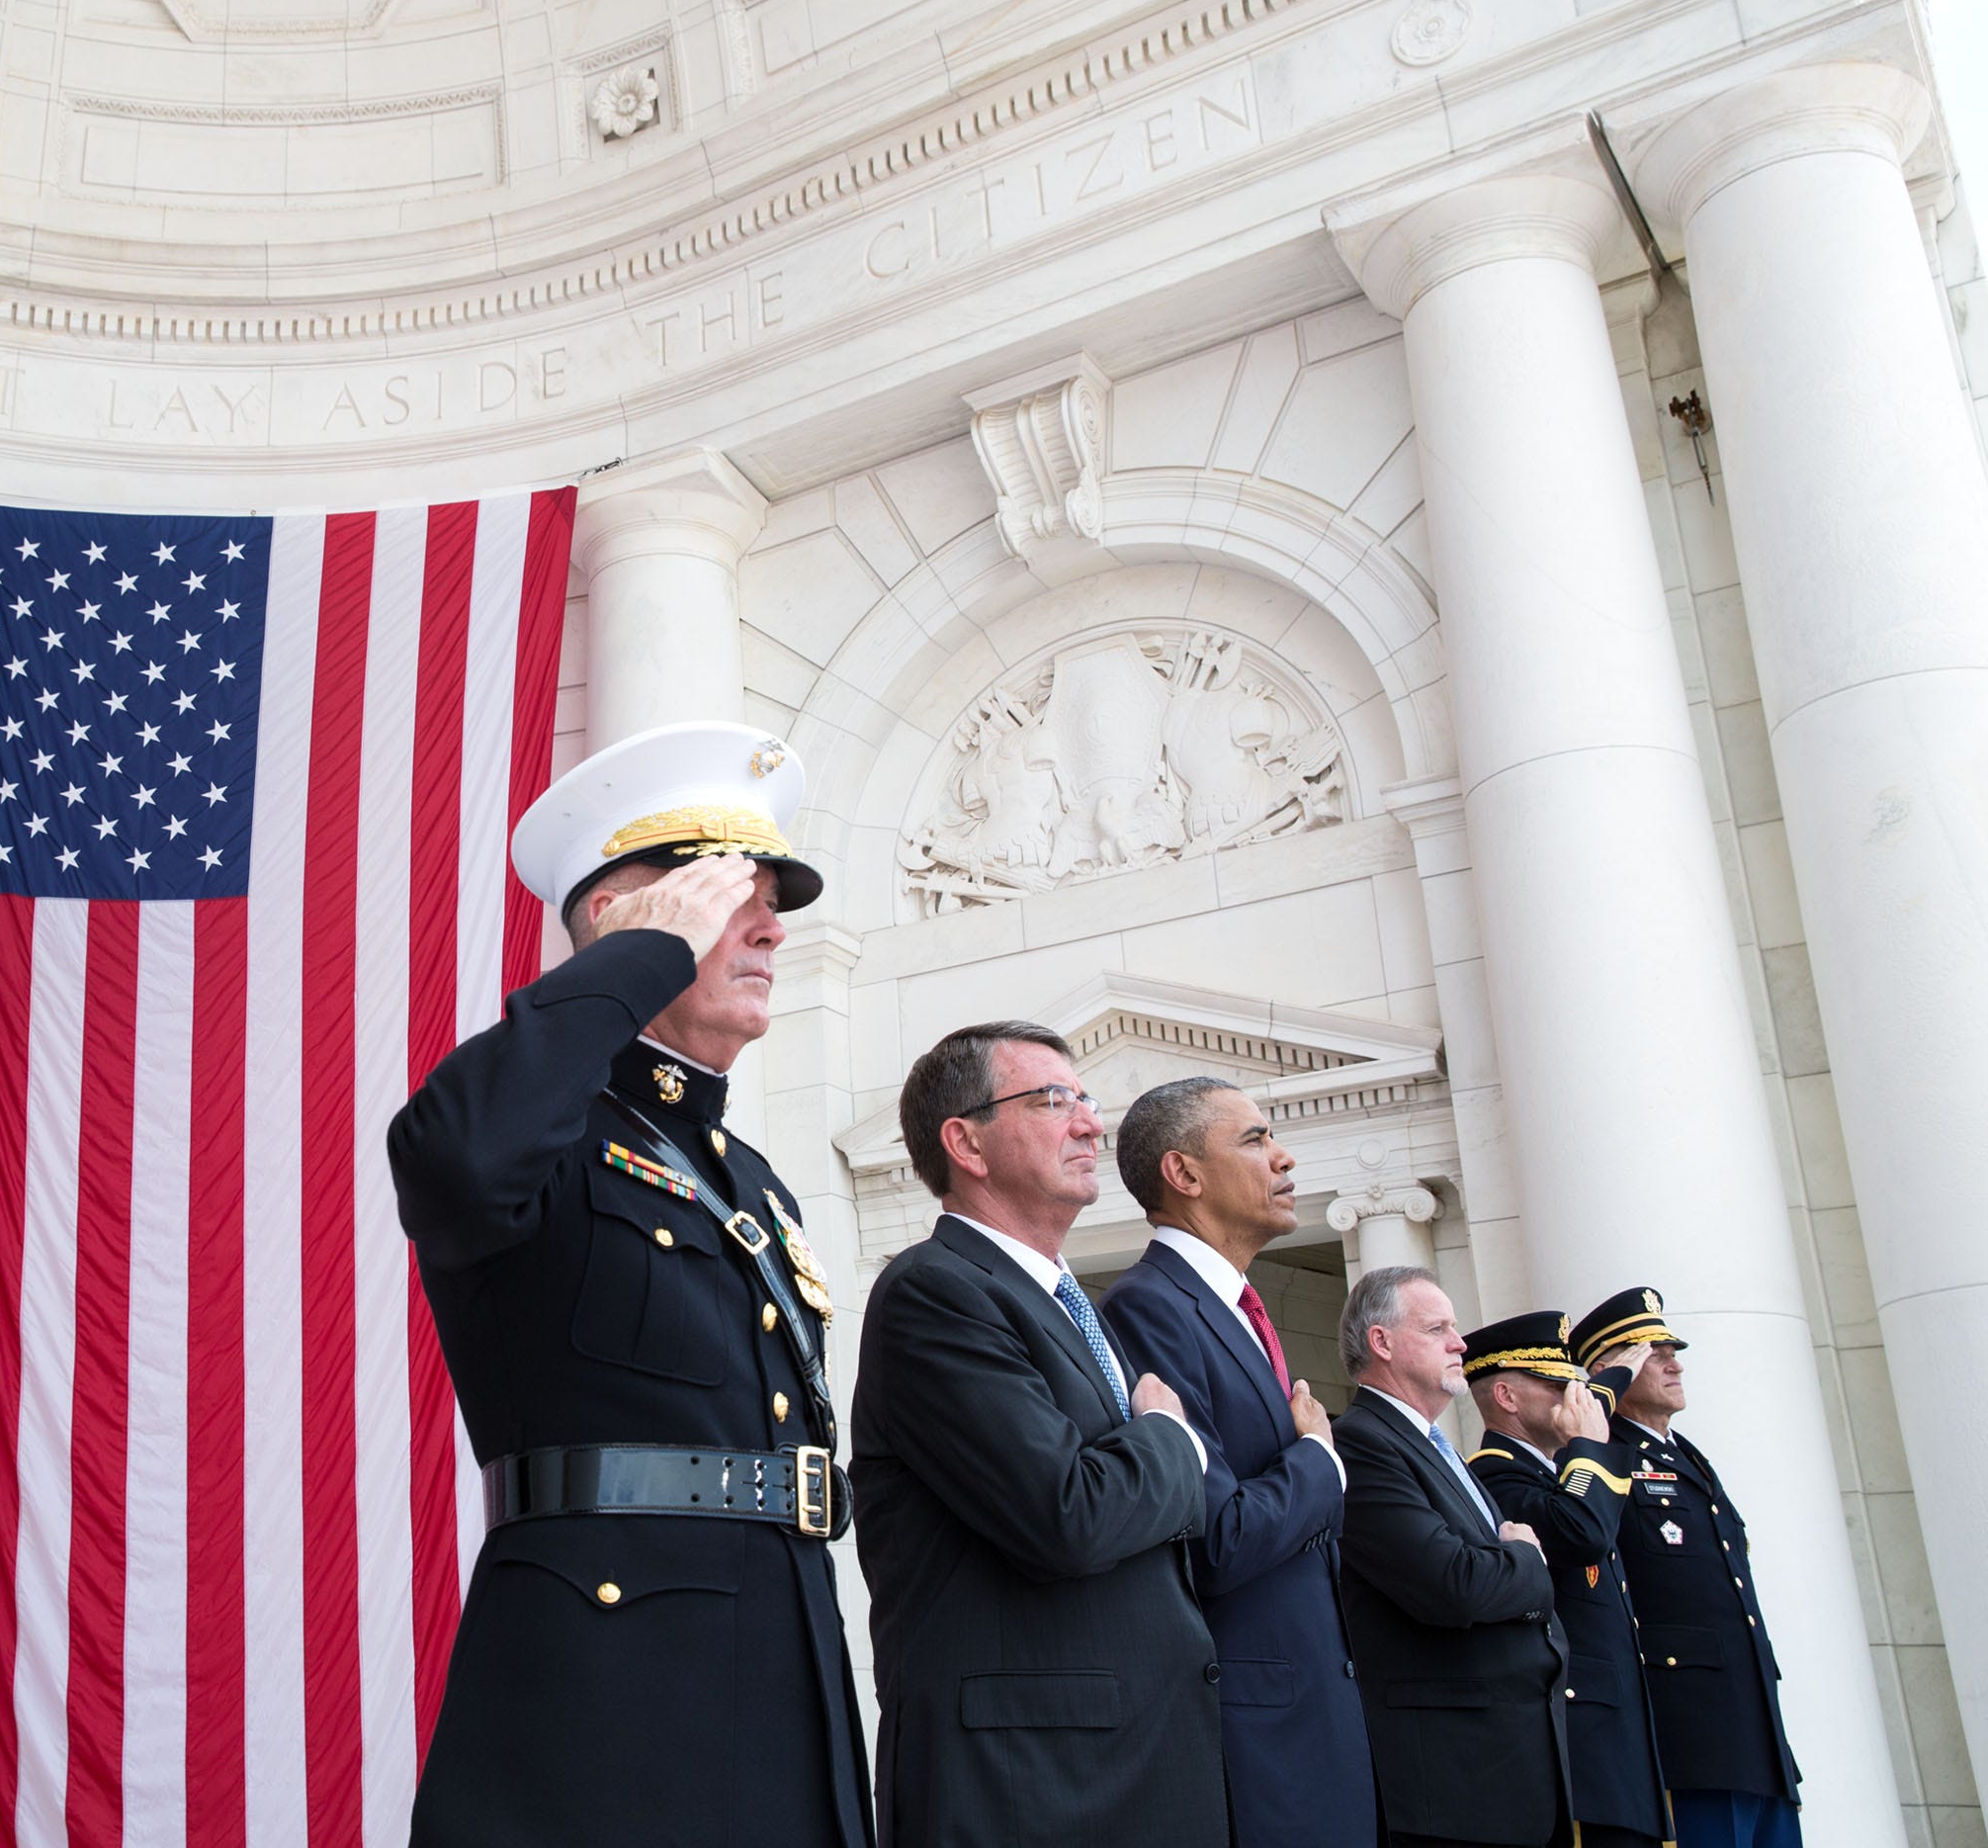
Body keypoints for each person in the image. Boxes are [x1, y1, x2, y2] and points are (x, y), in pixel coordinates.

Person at [387, 721, 871, 1848]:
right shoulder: (542, 1129)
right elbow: (457, 1161)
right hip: (612, 1705)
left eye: (773, 899)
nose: (768, 925)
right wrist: (631, 964)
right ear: (619, 921)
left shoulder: (745, 1179)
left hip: (780, 1661)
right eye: (723, 894)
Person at [851, 1021, 1226, 1848]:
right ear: (967, 1143)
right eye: (1054, 1100)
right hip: (1033, 1789)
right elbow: (1069, 1514)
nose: (1092, 1123)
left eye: (1087, 1101)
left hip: (1132, 1766)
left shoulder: (1067, 1304)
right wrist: (1176, 1443)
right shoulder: (934, 1292)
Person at [1098, 1078, 1374, 1848]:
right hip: (1258, 1745)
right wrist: (1321, 1458)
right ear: (1182, 1175)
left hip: (1316, 1724)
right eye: (1254, 1140)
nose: (1284, 1157)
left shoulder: (1233, 1306)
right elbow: (1217, 1536)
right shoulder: (1149, 1305)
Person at [1332, 1267, 1570, 1848]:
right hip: (1454, 1783)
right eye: (1437, 1327)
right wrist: (1529, 1562)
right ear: (1380, 1343)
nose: (1460, 1343)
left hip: (1505, 1770)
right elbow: (1451, 1583)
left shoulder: (1433, 1445)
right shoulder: (1363, 1441)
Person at [1573, 1287, 1803, 1848]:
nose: (1674, 1363)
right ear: (1613, 1371)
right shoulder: (1605, 1456)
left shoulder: (1685, 1455)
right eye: (1653, 1354)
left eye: (1671, 1351)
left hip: (1750, 1729)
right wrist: (1600, 1403)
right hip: (1688, 1737)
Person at [1459, 1312, 1673, 1848]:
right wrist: (1590, 1447)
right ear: (1506, 1396)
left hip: (1617, 1744)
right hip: (1580, 1745)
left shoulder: (1552, 1474)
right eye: (1558, 1386)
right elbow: (1582, 1532)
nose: (1575, 1398)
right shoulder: (1494, 1475)